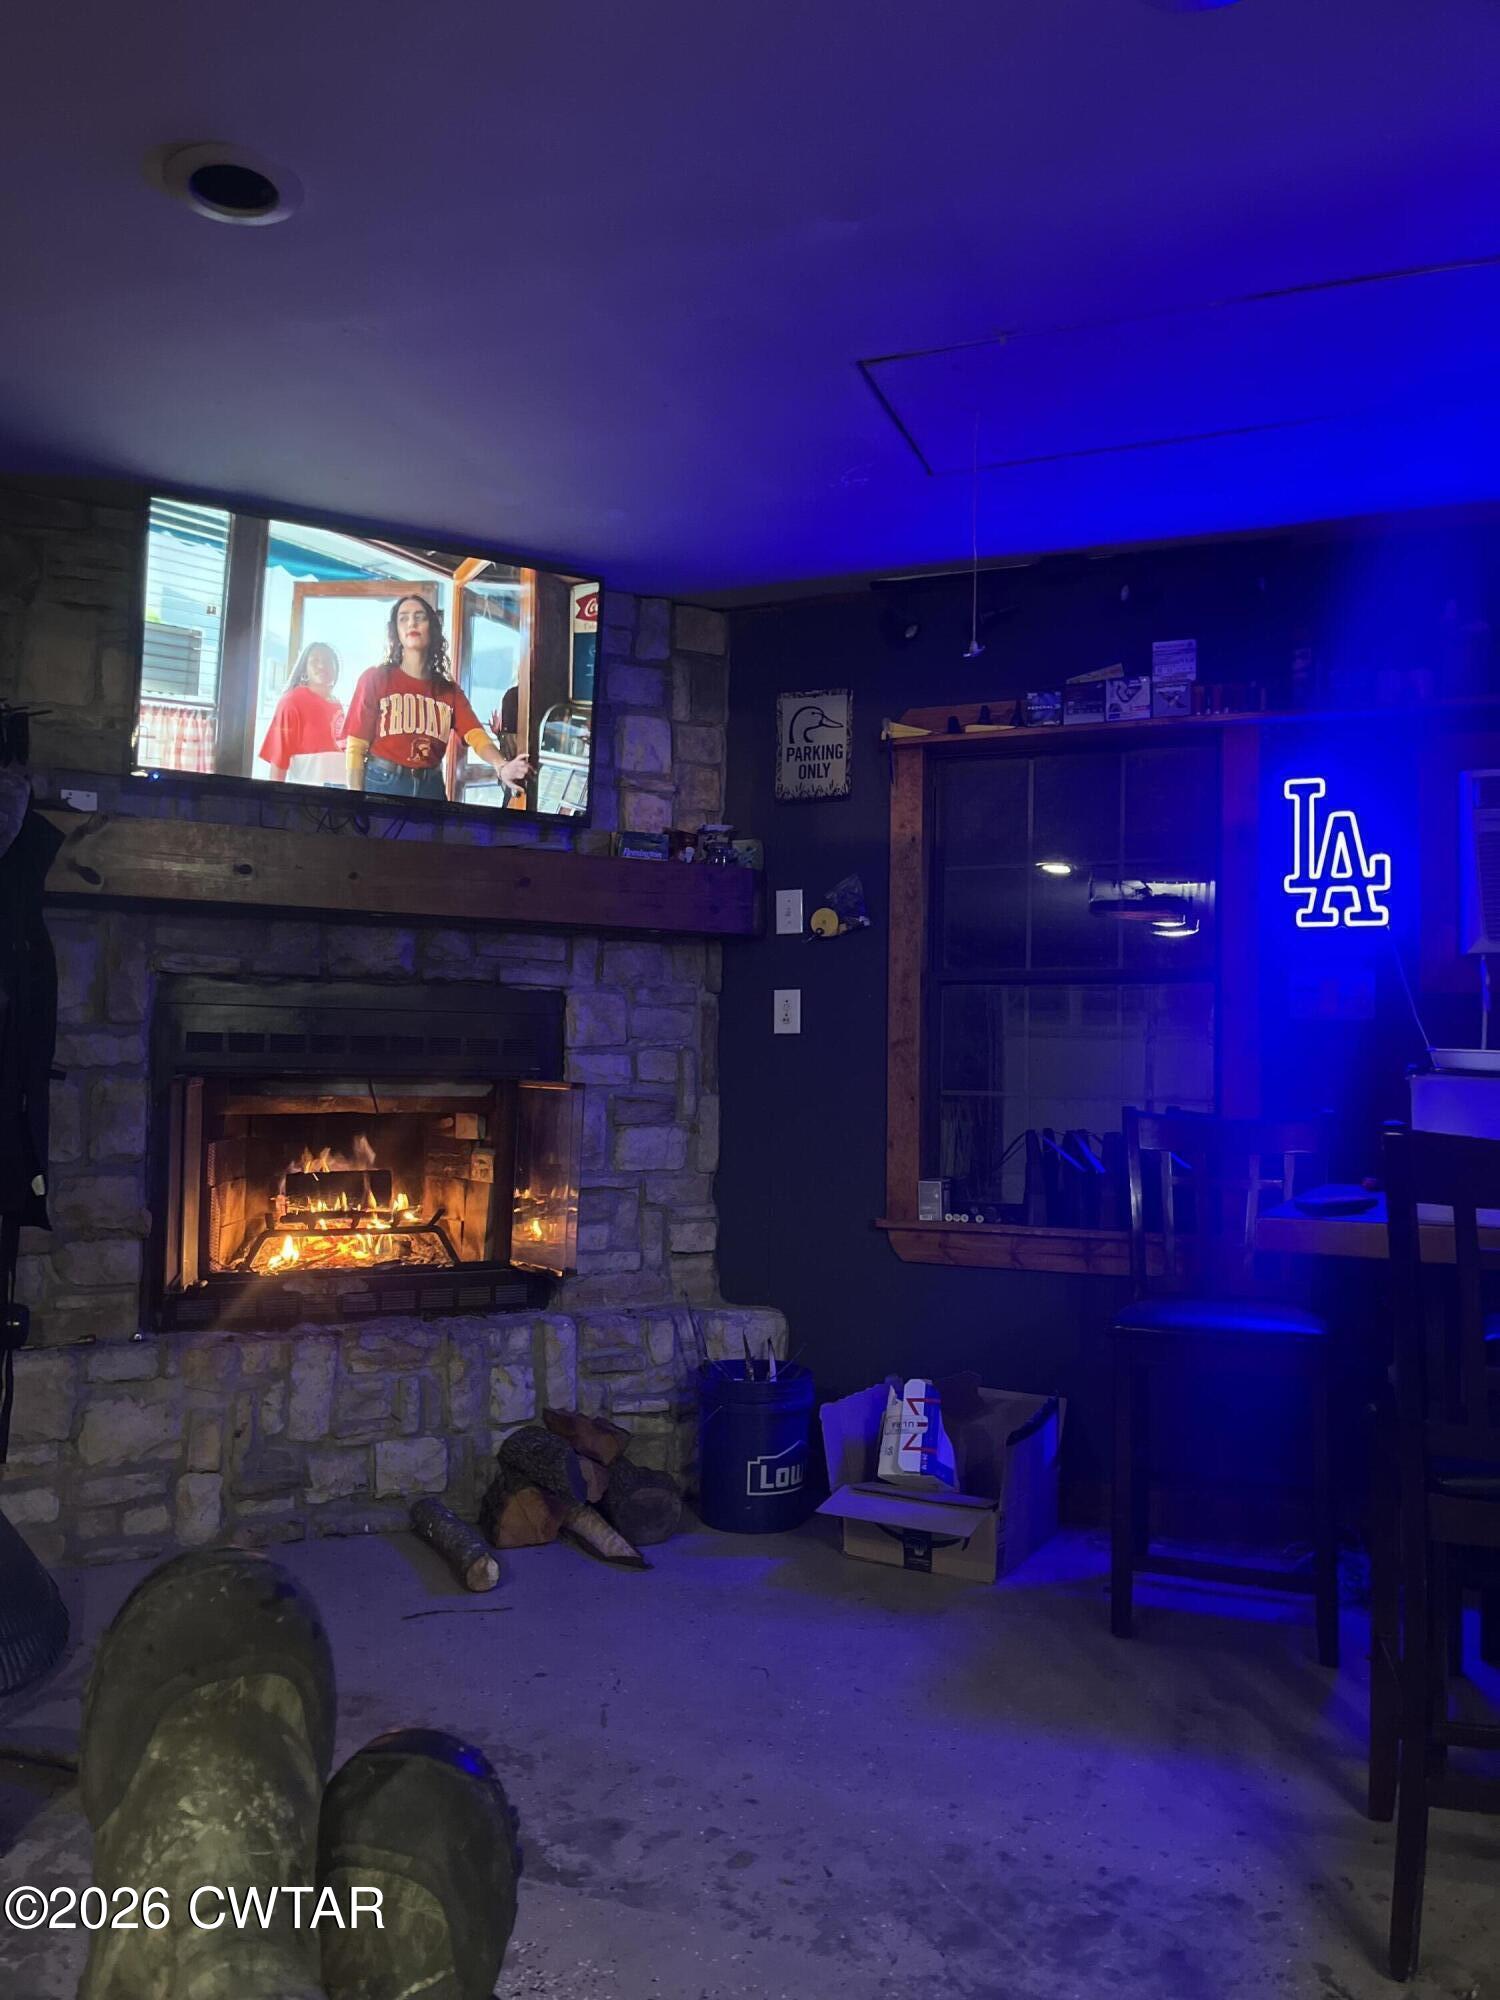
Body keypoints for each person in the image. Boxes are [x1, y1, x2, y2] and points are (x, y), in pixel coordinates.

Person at [343, 596, 530, 802]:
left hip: (430, 788)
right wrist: (354, 801)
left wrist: (501, 766)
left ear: (432, 627)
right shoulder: (376, 678)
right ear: (395, 631)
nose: (411, 623)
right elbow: (356, 747)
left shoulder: (449, 692)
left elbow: (476, 736)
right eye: (403, 619)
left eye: (419, 617)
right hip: (382, 784)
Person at [258, 641, 346, 786]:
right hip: (308, 795)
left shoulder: (337, 704)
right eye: (315, 661)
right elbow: (279, 757)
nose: (322, 666)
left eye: (328, 661)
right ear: (304, 668)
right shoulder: (291, 701)